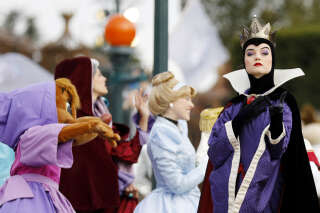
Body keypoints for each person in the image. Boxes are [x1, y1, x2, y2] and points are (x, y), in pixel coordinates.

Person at [198, 16, 320, 212]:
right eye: (250, 53)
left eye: (264, 52)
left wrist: (277, 124)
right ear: (244, 61)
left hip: (267, 193)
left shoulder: (284, 102)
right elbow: (215, 151)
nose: (257, 57)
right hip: (229, 194)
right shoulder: (234, 107)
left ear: (272, 59)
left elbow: (281, 151)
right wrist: (240, 120)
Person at [55, 56, 150, 213]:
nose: (104, 78)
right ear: (86, 81)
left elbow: (127, 153)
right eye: (98, 75)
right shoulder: (75, 124)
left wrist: (144, 117)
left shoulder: (102, 115)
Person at [134, 71, 206, 213]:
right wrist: (205, 166)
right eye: (186, 99)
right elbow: (177, 185)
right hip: (170, 207)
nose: (191, 105)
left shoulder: (177, 127)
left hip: (187, 202)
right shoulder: (161, 132)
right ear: (170, 101)